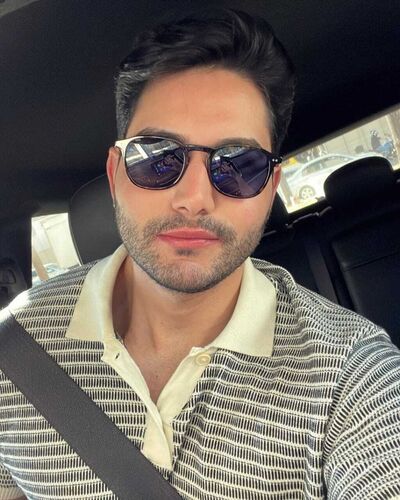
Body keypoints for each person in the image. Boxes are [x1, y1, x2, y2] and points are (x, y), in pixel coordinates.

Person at [0, 8, 399, 500]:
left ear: (270, 187)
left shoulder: (351, 375)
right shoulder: (14, 348)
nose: (194, 198)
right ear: (116, 174)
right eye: (157, 158)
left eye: (239, 165)